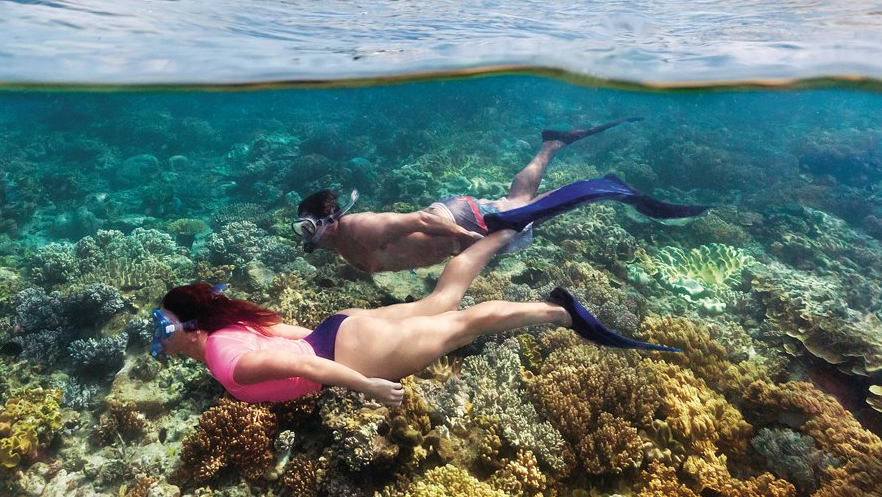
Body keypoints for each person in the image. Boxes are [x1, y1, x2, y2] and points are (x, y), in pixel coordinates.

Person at [151, 233, 680, 407]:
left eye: (163, 326)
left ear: (189, 327)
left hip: (346, 353)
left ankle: (561, 313)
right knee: (442, 300)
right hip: (340, 328)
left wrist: (369, 386)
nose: (159, 337)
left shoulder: (223, 359)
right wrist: (348, 333)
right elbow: (292, 335)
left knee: (463, 323)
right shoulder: (228, 329)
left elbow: (306, 367)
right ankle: (500, 231)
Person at [293, 119, 708, 272]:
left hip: (459, 222)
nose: (304, 236)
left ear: (329, 220)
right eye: (301, 230)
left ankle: (605, 185)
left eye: (308, 227)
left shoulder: (360, 227)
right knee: (519, 200)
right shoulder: (341, 245)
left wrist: (470, 238)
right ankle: (552, 143)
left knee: (529, 211)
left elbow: (419, 221)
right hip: (458, 228)